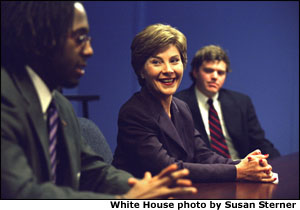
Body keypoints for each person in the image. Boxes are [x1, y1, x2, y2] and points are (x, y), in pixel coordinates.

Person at [1, 1, 197, 199]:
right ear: (41, 38)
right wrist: (121, 202)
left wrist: (142, 189)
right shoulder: (5, 97)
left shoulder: (59, 105)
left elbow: (93, 171)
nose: (89, 50)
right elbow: (20, 194)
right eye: (80, 38)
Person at [112, 23, 277, 183]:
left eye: (174, 60)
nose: (168, 69)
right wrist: (237, 171)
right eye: (157, 62)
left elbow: (203, 155)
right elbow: (168, 169)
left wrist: (245, 164)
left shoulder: (181, 107)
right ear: (141, 70)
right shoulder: (134, 112)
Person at [175, 45, 280, 160]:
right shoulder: (178, 103)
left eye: (220, 73)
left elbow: (259, 142)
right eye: (209, 70)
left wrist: (280, 164)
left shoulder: (241, 102)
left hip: (241, 167)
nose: (215, 77)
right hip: (204, 171)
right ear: (195, 72)